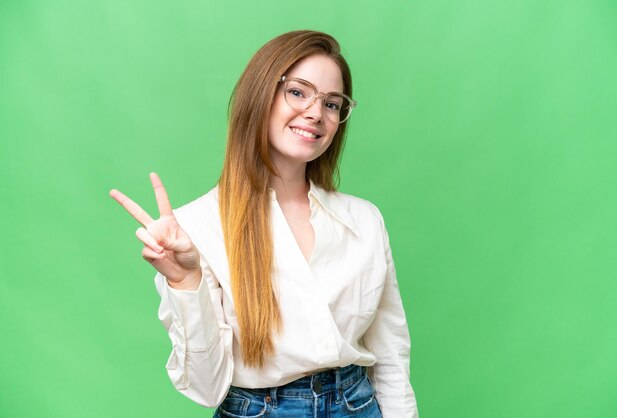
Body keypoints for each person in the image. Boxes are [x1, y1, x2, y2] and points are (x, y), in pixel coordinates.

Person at [110, 30, 418, 417]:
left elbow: (390, 354)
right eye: (298, 92)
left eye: (332, 103)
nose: (315, 112)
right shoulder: (194, 228)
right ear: (261, 95)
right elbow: (207, 387)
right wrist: (183, 281)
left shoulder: (364, 219)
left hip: (357, 405)